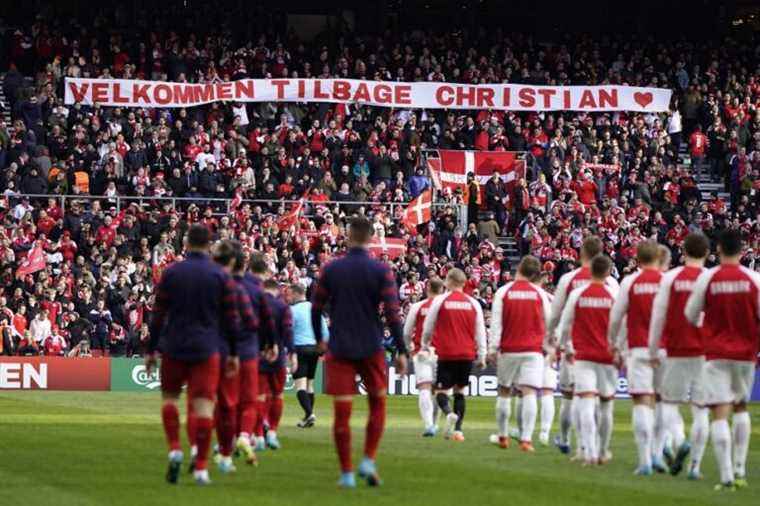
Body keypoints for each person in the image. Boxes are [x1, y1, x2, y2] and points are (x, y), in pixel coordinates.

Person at [311, 216, 408, 489]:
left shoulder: (332, 269)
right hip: (371, 346)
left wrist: (320, 339)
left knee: (342, 413)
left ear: (348, 236)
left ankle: (347, 473)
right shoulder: (381, 271)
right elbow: (392, 313)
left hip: (340, 347)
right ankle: (368, 458)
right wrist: (401, 349)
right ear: (371, 239)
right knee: (377, 403)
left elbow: (316, 307)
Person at [146, 224, 242, 486]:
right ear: (209, 245)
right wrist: (233, 352)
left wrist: (152, 349)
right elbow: (232, 319)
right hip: (207, 348)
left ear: (186, 244)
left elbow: (158, 315)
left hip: (174, 346)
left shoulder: (172, 272)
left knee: (170, 400)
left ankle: (175, 448)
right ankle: (201, 467)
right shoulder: (219, 276)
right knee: (203, 407)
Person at [685, 229, 760, 491]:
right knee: (740, 407)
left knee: (719, 412)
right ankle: (740, 469)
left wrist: (707, 326)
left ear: (718, 250)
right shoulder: (754, 279)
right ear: (742, 251)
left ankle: (727, 475)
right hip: (746, 355)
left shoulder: (709, 278)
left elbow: (691, 313)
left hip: (715, 353)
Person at [546, 236, 618, 457]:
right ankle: (601, 448)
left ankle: (572, 441)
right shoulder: (613, 284)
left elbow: (556, 313)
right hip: (606, 348)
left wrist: (552, 340)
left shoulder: (569, 279)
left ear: (581, 253)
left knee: (573, 397)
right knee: (603, 401)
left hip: (575, 348)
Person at [648, 232, 710, 480]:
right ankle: (695, 467)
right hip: (705, 352)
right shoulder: (710, 278)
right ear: (706, 253)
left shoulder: (671, 278)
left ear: (683, 252)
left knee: (668, 403)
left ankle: (672, 444)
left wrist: (653, 349)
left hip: (675, 350)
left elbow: (659, 316)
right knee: (701, 410)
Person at [608, 240, 665, 476]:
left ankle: (644, 461)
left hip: (639, 348)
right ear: (659, 258)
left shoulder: (630, 282)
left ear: (638, 259)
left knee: (642, 402)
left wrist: (616, 346)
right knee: (662, 402)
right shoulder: (668, 282)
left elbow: (618, 317)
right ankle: (658, 454)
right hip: (665, 350)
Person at [488, 256, 552, 452]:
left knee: (505, 391)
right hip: (533, 351)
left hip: (509, 349)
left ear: (519, 268)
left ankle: (503, 435)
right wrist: (551, 348)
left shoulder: (503, 292)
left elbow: (496, 323)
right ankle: (526, 439)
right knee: (530, 392)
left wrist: (492, 348)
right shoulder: (540, 294)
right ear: (535, 274)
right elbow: (550, 323)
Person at [421, 268, 487, 442]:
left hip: (446, 353)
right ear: (464, 283)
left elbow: (428, 326)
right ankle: (458, 431)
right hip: (466, 354)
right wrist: (482, 355)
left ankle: (449, 413)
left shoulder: (440, 301)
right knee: (460, 392)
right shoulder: (474, 303)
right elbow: (480, 331)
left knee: (441, 391)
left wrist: (425, 344)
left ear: (449, 282)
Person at [233, 250, 276, 464]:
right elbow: (264, 321)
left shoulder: (226, 285)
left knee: (227, 398)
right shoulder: (258, 290)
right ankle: (246, 435)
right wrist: (271, 344)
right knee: (252, 397)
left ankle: (225, 443)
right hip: (250, 350)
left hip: (223, 349)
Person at [254, 276, 294, 451]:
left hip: (259, 354)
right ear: (277, 290)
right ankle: (272, 433)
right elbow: (287, 330)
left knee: (259, 396)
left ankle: (259, 435)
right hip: (278, 356)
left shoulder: (256, 305)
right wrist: (292, 353)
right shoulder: (282, 307)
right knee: (278, 395)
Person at [403, 277, 445, 436]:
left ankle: (429, 425)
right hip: (442, 352)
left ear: (427, 288)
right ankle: (434, 423)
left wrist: (409, 348)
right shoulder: (445, 307)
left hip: (422, 352)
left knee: (424, 388)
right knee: (438, 390)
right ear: (442, 290)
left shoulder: (417, 306)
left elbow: (407, 331)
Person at [289, 282, 328, 428]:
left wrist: (288, 350)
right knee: (310, 384)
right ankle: (307, 417)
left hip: (300, 348)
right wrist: (322, 347)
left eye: (289, 294)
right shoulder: (314, 308)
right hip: (314, 349)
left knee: (300, 385)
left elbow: (288, 331)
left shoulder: (292, 310)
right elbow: (325, 332)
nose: (288, 297)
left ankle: (310, 413)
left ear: (295, 294)